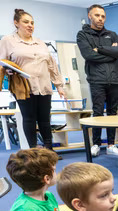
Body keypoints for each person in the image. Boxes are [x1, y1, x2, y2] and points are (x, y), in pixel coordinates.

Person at [0, 9, 66, 156]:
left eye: (32, 22)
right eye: (26, 22)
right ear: (16, 23)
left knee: (45, 119)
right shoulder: (7, 41)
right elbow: (2, 62)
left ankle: (49, 151)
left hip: (44, 85)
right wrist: (9, 70)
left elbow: (52, 65)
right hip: (23, 87)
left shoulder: (40, 43)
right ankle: (34, 152)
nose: (30, 25)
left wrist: (59, 85)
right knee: (29, 118)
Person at [77, 4, 118, 157]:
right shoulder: (83, 35)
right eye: (97, 15)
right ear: (90, 16)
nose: (100, 19)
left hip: (115, 79)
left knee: (112, 112)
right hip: (97, 80)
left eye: (103, 16)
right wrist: (111, 53)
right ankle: (96, 144)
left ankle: (111, 144)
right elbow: (89, 55)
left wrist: (101, 49)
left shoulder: (112, 34)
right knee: (98, 112)